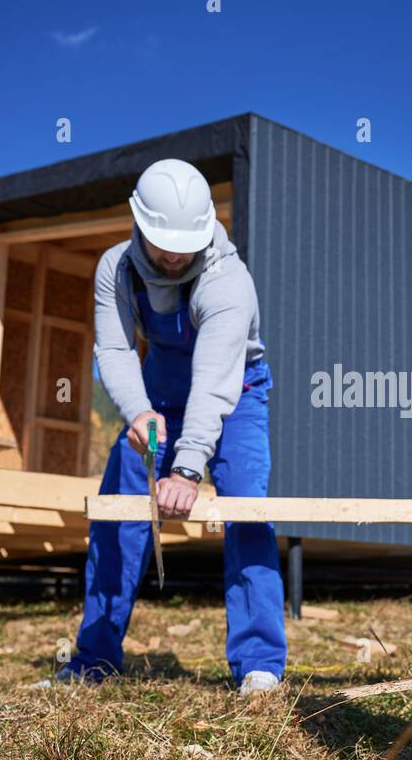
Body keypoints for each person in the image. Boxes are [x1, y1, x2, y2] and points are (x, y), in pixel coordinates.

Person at [57, 159, 286, 696]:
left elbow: (212, 382)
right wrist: (137, 412)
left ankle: (259, 665)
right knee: (117, 511)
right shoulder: (116, 268)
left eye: (186, 244)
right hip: (156, 393)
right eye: (165, 244)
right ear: (139, 224)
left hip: (235, 395)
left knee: (246, 509)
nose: (175, 255)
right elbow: (113, 348)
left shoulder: (229, 281)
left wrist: (186, 467)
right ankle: (95, 656)